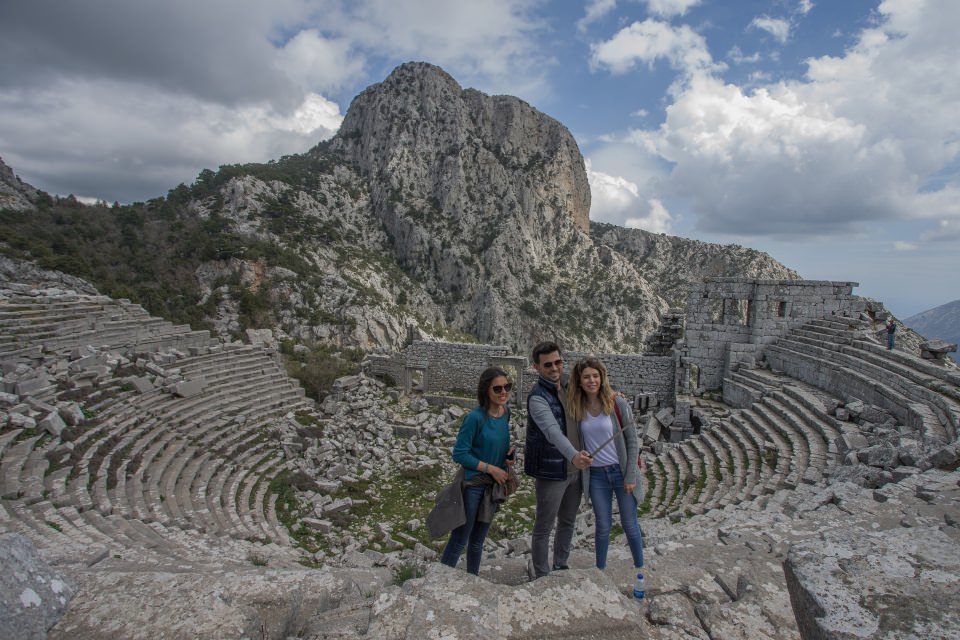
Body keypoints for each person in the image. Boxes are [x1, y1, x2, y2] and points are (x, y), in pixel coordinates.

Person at [566, 357, 644, 572]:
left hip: (620, 472)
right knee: (602, 526)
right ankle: (600, 571)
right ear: (579, 381)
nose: (592, 380)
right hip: (597, 476)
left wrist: (630, 476)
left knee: (630, 524)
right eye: (586, 377)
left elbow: (632, 440)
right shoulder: (577, 406)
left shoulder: (617, 403)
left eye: (595, 375)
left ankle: (640, 570)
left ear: (602, 377)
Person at [524, 341, 593, 579]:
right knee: (544, 527)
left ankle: (561, 564)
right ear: (536, 367)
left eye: (557, 362)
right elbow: (552, 431)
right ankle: (542, 574)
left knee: (568, 521)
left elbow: (594, 393)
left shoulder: (569, 385)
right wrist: (574, 455)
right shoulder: (537, 398)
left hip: (575, 471)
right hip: (552, 471)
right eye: (547, 365)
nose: (554, 368)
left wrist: (613, 395)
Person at [439, 366, 515, 575]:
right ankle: (440, 581)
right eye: (497, 389)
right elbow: (460, 454)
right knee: (460, 538)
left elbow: (494, 445)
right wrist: (491, 469)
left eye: (507, 387)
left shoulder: (505, 413)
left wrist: (506, 458)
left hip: (492, 486)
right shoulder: (475, 418)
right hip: (473, 485)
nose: (503, 393)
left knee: (478, 540)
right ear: (486, 391)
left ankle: (472, 580)